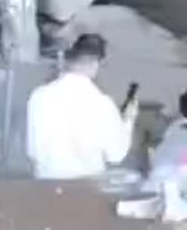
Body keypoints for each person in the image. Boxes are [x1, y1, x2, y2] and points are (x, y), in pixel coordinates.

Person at [24, 33, 138, 180]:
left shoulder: (38, 96)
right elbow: (116, 155)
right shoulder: (101, 104)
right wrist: (128, 121)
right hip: (87, 190)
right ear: (97, 63)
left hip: (46, 188)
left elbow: (32, 151)